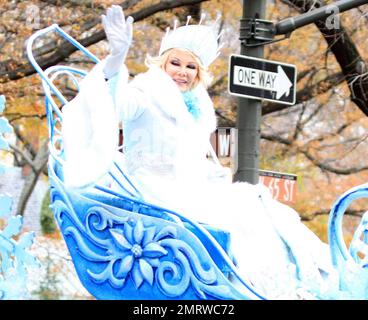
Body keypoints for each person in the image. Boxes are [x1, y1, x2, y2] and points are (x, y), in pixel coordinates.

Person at [61, 5, 341, 299]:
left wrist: (213, 174)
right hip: (155, 188)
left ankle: (310, 278)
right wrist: (116, 60)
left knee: (263, 205)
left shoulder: (198, 105)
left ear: (199, 72)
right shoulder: (144, 91)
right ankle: (254, 286)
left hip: (193, 186)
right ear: (162, 64)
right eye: (175, 63)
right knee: (237, 215)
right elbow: (114, 104)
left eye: (190, 66)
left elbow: (193, 159)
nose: (182, 72)